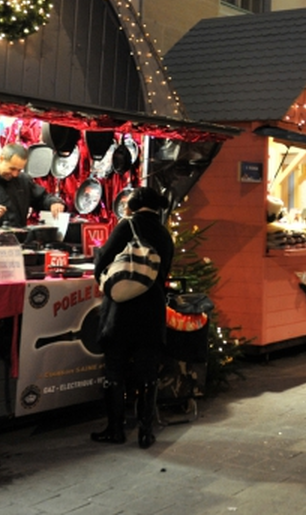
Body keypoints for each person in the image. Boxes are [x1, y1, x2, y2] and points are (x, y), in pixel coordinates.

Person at [91, 187, 175, 448]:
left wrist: (103, 279)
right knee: (147, 372)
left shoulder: (127, 226)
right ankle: (145, 432)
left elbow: (103, 259)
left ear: (133, 205)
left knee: (114, 368)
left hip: (122, 310)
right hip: (152, 309)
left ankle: (115, 430)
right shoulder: (164, 233)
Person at [0, 143, 65, 229]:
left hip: (18, 245)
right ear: (1, 159)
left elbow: (41, 198)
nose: (15, 174)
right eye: (12, 168)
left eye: (19, 170)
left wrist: (53, 202)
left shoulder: (23, 180)